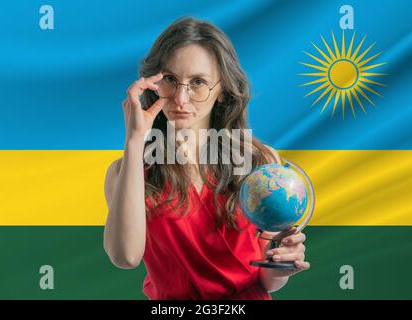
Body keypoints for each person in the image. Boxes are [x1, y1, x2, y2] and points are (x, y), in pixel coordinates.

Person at [103, 17, 309, 300]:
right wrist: (135, 140)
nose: (181, 98)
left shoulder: (259, 160)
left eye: (198, 82)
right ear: (152, 83)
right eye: (170, 80)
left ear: (222, 89)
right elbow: (125, 257)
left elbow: (267, 281)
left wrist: (282, 263)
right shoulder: (128, 171)